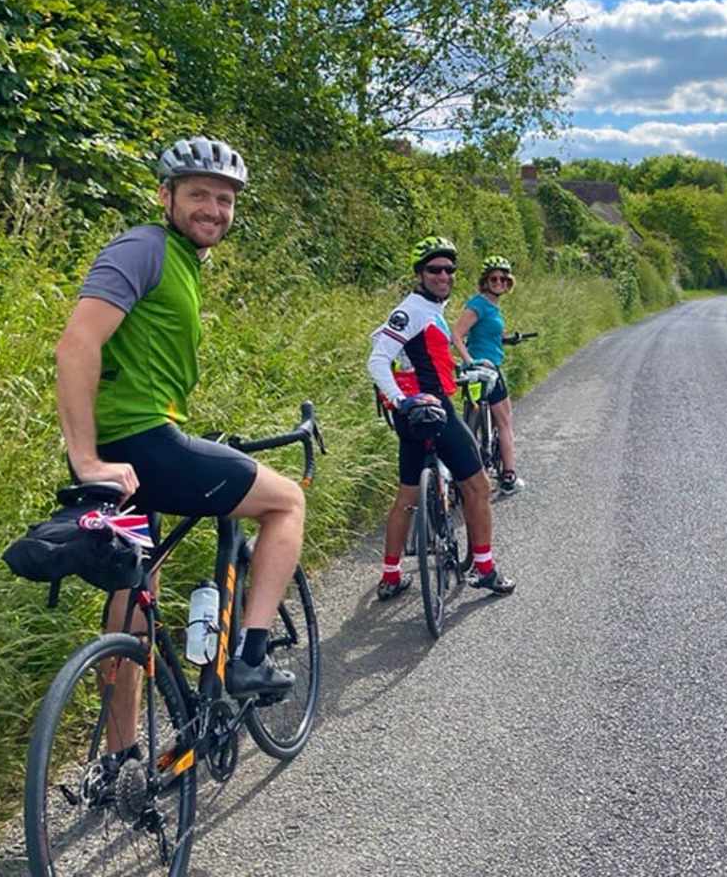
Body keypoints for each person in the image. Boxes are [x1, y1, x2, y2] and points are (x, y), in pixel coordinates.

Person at [54, 137, 307, 758]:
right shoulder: (144, 247)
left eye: (224, 200)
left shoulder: (183, 260)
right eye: (199, 195)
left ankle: (120, 757)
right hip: (141, 446)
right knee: (286, 502)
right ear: (165, 196)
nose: (213, 209)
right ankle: (248, 657)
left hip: (135, 452)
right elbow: (76, 345)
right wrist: (85, 459)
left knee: (138, 589)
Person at [366, 236, 517, 601]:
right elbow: (376, 360)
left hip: (415, 412)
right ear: (419, 274)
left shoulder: (429, 310)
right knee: (479, 486)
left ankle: (390, 575)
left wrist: (463, 370)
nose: (443, 275)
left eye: (449, 269)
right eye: (434, 269)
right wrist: (403, 400)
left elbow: (422, 360)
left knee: (406, 495)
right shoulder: (413, 310)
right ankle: (484, 569)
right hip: (431, 411)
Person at [451, 254, 524, 495]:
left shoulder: (490, 306)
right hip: (487, 370)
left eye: (503, 279)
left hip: (480, 370)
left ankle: (465, 475)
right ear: (485, 280)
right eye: (494, 278)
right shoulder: (479, 304)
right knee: (505, 421)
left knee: (473, 417)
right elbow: (457, 334)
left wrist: (507, 339)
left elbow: (486, 336)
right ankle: (509, 476)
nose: (499, 282)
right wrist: (470, 361)